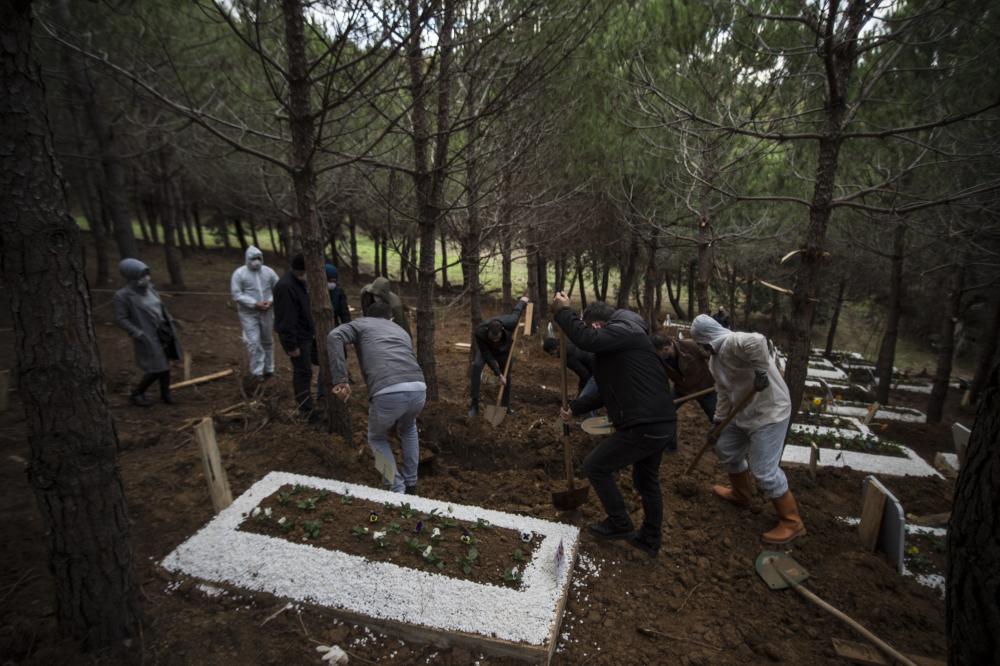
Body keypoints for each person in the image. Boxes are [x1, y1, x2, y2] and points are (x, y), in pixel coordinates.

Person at [553, 294, 676, 559]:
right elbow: (604, 392)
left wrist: (564, 311)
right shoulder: (624, 342)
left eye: (590, 328)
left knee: (595, 466)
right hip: (660, 422)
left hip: (643, 424)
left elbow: (585, 339)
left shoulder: (624, 330)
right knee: (646, 481)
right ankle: (650, 539)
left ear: (596, 325)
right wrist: (575, 408)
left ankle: (619, 523)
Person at [689, 314, 805, 544]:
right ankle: (741, 495)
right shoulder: (715, 361)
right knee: (725, 447)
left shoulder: (733, 342)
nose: (701, 349)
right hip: (743, 412)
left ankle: (792, 523)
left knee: (763, 471)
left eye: (701, 344)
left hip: (770, 412)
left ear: (707, 340)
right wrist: (717, 424)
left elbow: (757, 341)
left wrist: (761, 372)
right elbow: (723, 393)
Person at [328, 302, 426, 495]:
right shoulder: (401, 330)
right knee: (408, 429)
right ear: (391, 318)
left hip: (386, 391)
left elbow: (334, 335)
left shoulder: (361, 323)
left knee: (376, 438)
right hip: (418, 389)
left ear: (368, 315)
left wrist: (340, 378)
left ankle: (396, 487)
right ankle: (411, 485)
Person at [113, 259, 183, 407]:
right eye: (142, 275)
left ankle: (165, 393)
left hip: (163, 331)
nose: (146, 278)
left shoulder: (150, 288)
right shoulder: (122, 296)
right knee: (158, 366)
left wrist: (170, 323)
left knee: (165, 363)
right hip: (147, 335)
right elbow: (122, 319)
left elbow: (161, 307)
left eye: (146, 274)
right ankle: (137, 393)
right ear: (131, 275)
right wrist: (138, 333)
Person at [273, 253, 322, 424]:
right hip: (297, 338)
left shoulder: (298, 282)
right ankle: (307, 412)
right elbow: (286, 319)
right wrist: (291, 345)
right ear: (297, 270)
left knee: (302, 372)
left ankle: (305, 407)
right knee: (304, 373)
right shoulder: (286, 287)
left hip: (304, 334)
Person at [468, 296, 530, 419]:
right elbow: (486, 355)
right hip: (488, 351)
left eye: (497, 337)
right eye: (492, 337)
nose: (495, 339)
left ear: (502, 329)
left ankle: (505, 408)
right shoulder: (480, 332)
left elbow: (517, 311)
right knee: (477, 367)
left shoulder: (511, 323)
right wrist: (498, 374)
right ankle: (474, 404)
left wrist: (523, 301)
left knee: (507, 378)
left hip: (504, 352)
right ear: (487, 330)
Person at [231, 246, 280, 381]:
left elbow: (278, 288)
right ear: (248, 259)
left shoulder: (268, 272)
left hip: (267, 312)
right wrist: (254, 304)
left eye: (258, 258)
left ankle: (269, 370)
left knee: (268, 341)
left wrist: (270, 301)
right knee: (253, 342)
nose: (256, 261)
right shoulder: (240, 273)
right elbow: (236, 294)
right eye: (253, 258)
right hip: (249, 314)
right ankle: (257, 372)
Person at [650, 333, 717, 423]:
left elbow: (716, 357)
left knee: (717, 419)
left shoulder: (690, 346)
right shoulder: (658, 360)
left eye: (657, 353)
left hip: (705, 388)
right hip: (681, 389)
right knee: (664, 411)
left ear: (665, 349)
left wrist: (719, 380)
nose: (655, 356)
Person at [542, 335, 597, 419]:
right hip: (597, 364)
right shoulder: (567, 339)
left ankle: (592, 428)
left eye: (553, 354)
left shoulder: (568, 357)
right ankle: (593, 422)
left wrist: (581, 386)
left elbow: (585, 375)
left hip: (597, 371)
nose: (553, 357)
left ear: (558, 347)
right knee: (588, 397)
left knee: (583, 401)